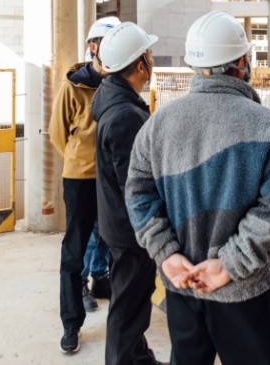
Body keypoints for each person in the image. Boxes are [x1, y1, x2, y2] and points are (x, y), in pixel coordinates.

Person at [125, 11, 270, 365]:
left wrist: (167, 254)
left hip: (182, 285)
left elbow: (138, 194)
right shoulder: (268, 126)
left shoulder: (157, 126)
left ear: (194, 65)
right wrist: (228, 265)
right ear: (241, 63)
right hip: (244, 292)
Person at [90, 22, 165, 365]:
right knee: (128, 307)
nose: (153, 60)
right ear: (139, 65)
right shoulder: (124, 116)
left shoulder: (113, 98)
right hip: (131, 230)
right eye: (149, 55)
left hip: (118, 224)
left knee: (132, 301)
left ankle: (140, 357)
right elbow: (135, 187)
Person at [50, 16, 118, 354]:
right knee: (74, 250)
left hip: (112, 179)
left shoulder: (119, 82)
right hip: (80, 179)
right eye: (110, 44)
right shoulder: (73, 87)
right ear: (94, 47)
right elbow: (57, 133)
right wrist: (79, 160)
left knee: (111, 240)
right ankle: (71, 323)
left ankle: (101, 282)